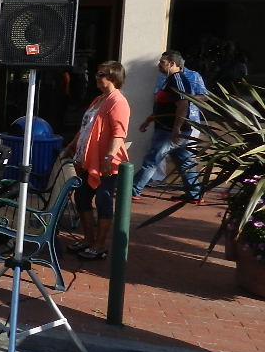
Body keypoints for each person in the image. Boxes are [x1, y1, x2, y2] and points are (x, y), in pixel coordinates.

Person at [62, 61, 130, 261]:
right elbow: (85, 128)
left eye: (101, 74)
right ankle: (89, 239)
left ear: (113, 77)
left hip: (106, 162)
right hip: (88, 161)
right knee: (82, 198)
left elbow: (119, 133)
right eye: (97, 74)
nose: (97, 78)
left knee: (103, 201)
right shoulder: (99, 99)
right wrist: (71, 146)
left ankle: (100, 246)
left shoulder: (118, 101)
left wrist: (109, 157)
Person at [132, 50, 203, 204]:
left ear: (172, 64)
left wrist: (176, 128)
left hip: (169, 131)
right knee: (186, 163)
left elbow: (183, 104)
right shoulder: (169, 79)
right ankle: (195, 194)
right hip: (174, 130)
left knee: (152, 160)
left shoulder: (176, 80)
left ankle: (133, 189)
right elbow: (164, 105)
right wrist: (149, 120)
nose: (159, 65)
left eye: (162, 62)